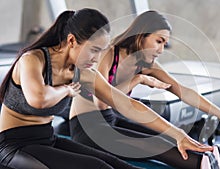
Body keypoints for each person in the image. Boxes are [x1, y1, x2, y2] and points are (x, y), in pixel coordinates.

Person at [69, 10, 220, 169]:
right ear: (141, 35)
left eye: (165, 44)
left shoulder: (145, 63)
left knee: (172, 137)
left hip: (111, 120)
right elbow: (102, 101)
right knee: (156, 145)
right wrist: (137, 80)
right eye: (159, 41)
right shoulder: (108, 54)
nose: (161, 49)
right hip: (87, 129)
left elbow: (183, 91)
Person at [0, 8, 145, 169]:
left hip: (47, 139)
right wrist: (67, 90)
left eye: (100, 52)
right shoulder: (32, 60)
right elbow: (39, 100)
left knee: (116, 164)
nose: (96, 59)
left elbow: (124, 103)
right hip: (13, 146)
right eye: (94, 50)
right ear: (71, 41)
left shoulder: (80, 72)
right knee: (98, 167)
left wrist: (176, 134)